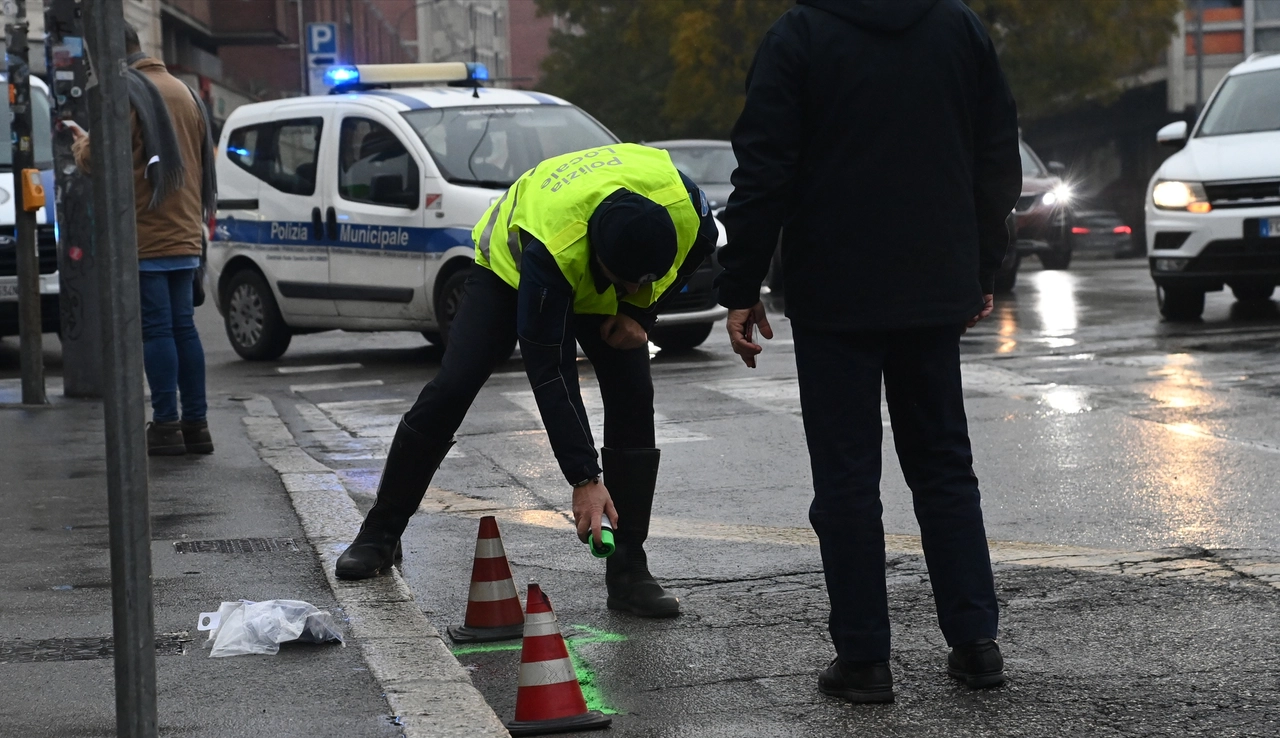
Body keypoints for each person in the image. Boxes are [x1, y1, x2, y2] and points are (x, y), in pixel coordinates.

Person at [715, 0, 1023, 701]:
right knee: (945, 465)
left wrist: (741, 283)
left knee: (847, 479)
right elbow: (996, 155)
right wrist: (979, 264)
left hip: (835, 292)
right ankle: (976, 645)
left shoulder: (799, 36)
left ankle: (864, 658)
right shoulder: (958, 27)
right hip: (932, 284)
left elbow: (765, 169)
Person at [336, 143, 718, 618]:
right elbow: (551, 371)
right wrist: (584, 477)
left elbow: (702, 247)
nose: (633, 289)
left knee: (634, 394)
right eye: (625, 282)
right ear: (597, 256)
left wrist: (641, 311)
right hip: (509, 275)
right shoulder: (553, 248)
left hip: (589, 256)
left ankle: (628, 571)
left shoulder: (686, 209)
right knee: (453, 388)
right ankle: (379, 533)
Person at [71, 23, 216, 457]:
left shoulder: (126, 93)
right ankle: (198, 424)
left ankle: (167, 424)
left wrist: (81, 143)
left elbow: (100, 159)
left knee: (156, 331)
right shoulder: (183, 90)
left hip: (146, 232)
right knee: (183, 329)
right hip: (186, 230)